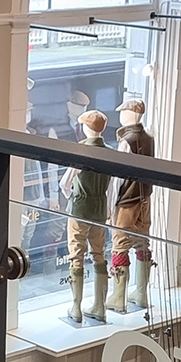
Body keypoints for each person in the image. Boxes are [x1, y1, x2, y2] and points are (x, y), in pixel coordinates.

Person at [61, 109, 111, 324]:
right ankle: (100, 306)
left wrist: (73, 196)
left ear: (86, 128)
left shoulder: (81, 151)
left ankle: (76, 306)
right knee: (99, 254)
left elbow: (65, 183)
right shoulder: (110, 151)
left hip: (80, 209)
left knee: (76, 255)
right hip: (100, 208)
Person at [106, 98, 155, 314]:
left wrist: (110, 206)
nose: (121, 116)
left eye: (123, 112)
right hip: (146, 196)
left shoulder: (127, 141)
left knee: (120, 243)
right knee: (142, 242)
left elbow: (118, 177)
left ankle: (119, 296)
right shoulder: (149, 138)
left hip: (127, 200)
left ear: (129, 114)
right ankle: (141, 292)